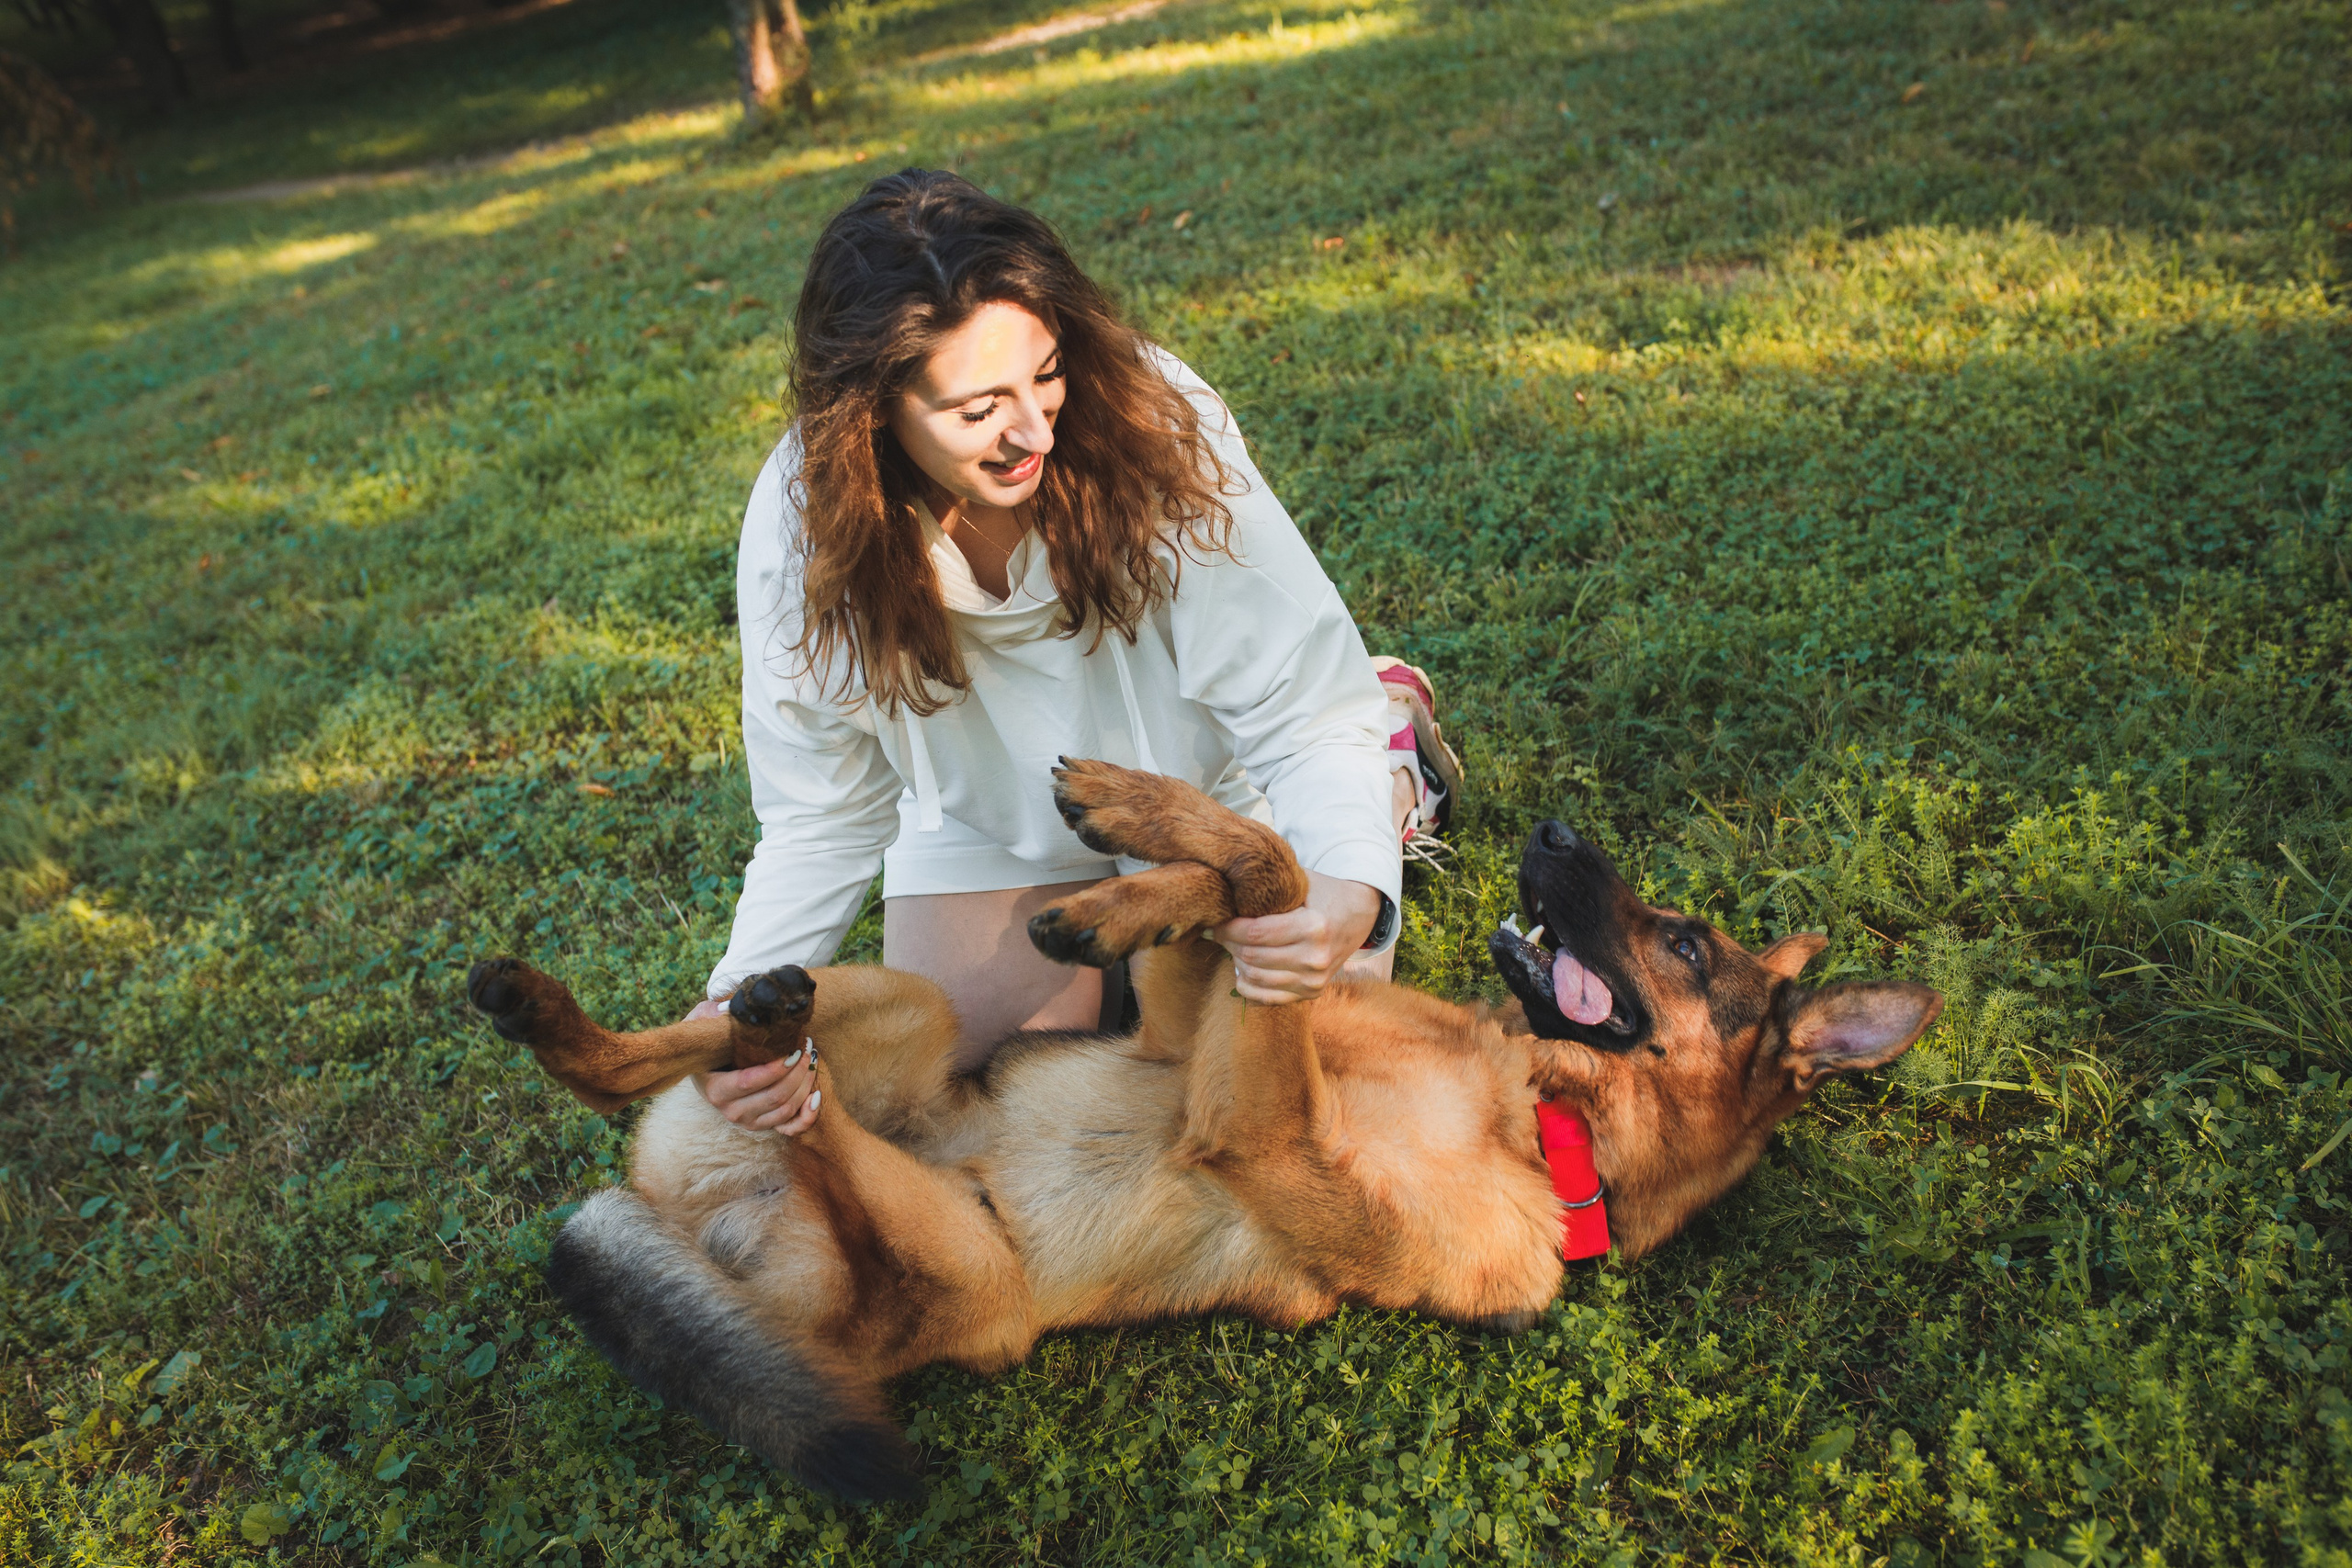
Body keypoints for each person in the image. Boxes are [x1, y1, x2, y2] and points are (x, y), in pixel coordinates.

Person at [686, 170, 1463, 1138]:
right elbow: (821, 816)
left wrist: (1347, 886)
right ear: (874, 409)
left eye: (1046, 372)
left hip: (1212, 799)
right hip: (989, 831)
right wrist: (733, 1006)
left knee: (1295, 1068)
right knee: (955, 1103)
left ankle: (1392, 763)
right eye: (976, 412)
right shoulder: (806, 526)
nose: (1032, 429)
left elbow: (1301, 709)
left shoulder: (1155, 421)